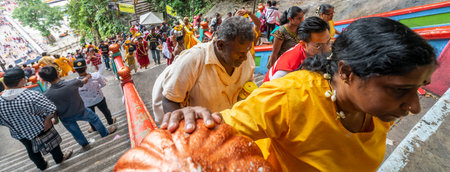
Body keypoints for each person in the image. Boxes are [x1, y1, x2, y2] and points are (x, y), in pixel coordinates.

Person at [161, 17, 436, 171]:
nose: (414, 107)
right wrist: (188, 125)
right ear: (348, 73)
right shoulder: (290, 95)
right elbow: (200, 134)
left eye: (419, 87)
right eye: (400, 90)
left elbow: (246, 88)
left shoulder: (380, 110)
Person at [152, 16, 256, 124]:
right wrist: (185, 128)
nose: (245, 58)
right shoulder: (193, 60)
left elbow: (248, 88)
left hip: (229, 126)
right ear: (220, 45)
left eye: (247, 51)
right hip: (199, 130)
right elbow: (170, 99)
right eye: (240, 54)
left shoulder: (246, 58)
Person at [0, 67, 72, 170]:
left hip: (20, 133)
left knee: (31, 150)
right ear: (22, 80)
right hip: (42, 128)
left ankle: (42, 166)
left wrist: (16, 124)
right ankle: (59, 159)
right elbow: (51, 108)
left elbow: (1, 122)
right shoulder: (31, 95)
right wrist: (48, 120)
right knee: (53, 145)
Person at [40, 66, 117, 149]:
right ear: (58, 73)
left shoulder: (46, 94)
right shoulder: (72, 83)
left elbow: (52, 109)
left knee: (75, 132)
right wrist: (87, 76)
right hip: (81, 110)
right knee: (94, 119)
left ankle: (84, 144)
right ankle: (104, 133)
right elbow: (83, 81)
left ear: (45, 80)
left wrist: (55, 118)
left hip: (65, 117)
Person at [263, 17, 330, 82]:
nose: (326, 49)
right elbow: (270, 90)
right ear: (303, 44)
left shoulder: (314, 52)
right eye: (318, 45)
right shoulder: (289, 67)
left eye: (328, 42)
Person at [73, 59, 116, 133]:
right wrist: (96, 87)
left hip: (87, 103)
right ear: (86, 67)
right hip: (99, 98)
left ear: (75, 70)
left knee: (90, 116)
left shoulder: (74, 82)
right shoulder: (96, 75)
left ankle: (94, 128)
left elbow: (77, 94)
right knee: (105, 110)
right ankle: (110, 121)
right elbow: (103, 84)